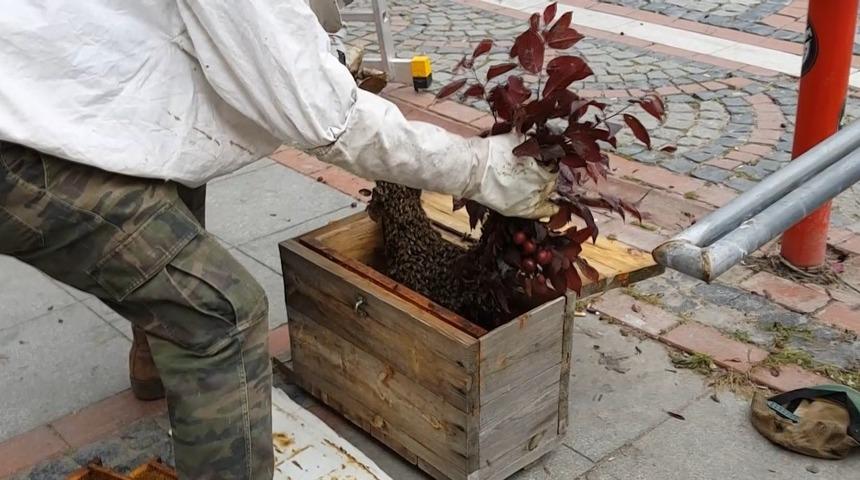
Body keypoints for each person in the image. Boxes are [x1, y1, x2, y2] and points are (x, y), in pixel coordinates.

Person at [0, 1, 558, 478]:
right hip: (18, 142)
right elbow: (323, 119)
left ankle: (155, 358)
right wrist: (478, 169)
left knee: (173, 193)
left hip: (68, 74)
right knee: (220, 314)